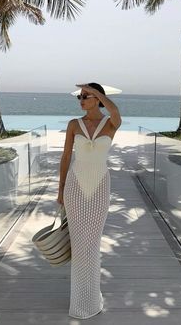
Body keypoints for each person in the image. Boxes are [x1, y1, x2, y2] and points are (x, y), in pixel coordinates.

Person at [57, 82, 122, 319]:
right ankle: (79, 300)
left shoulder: (111, 123)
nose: (82, 100)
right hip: (75, 186)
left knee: (91, 243)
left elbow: (115, 112)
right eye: (80, 97)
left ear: (98, 98)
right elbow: (65, 156)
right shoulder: (74, 124)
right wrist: (61, 189)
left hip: (100, 187)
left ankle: (92, 298)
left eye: (86, 96)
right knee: (78, 244)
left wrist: (97, 92)